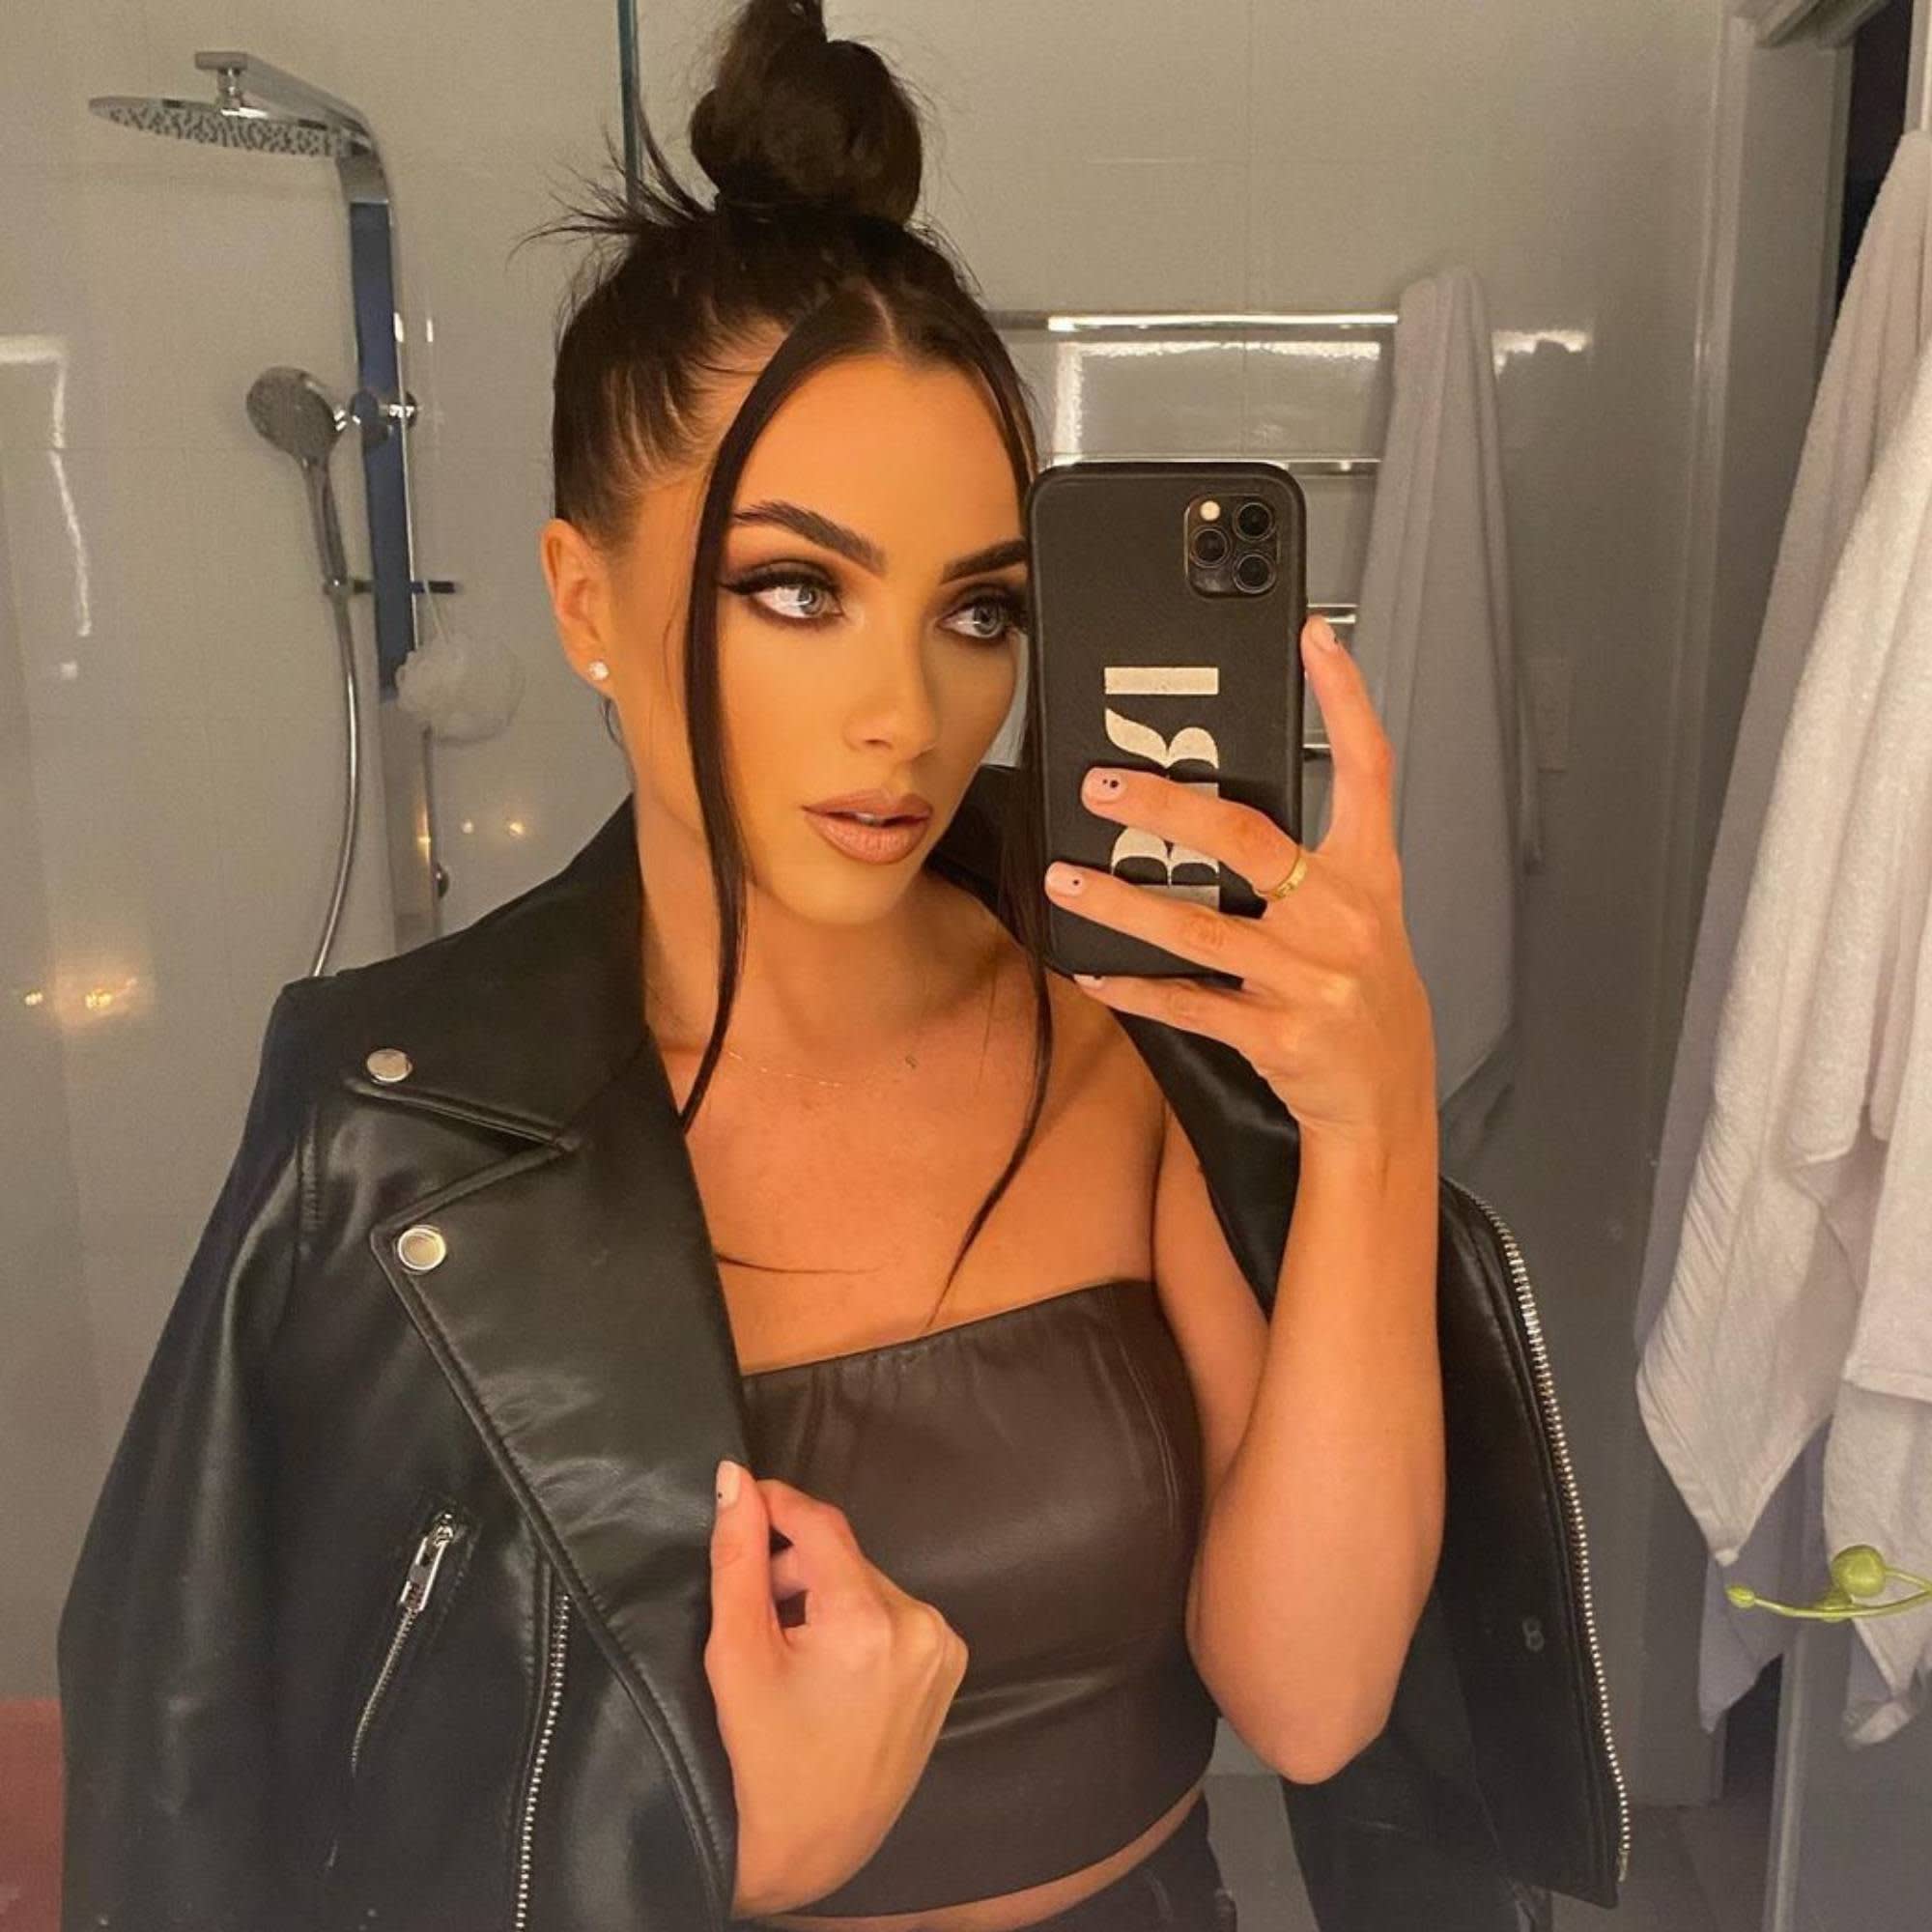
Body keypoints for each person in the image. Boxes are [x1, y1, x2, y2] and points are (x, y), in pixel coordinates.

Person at [57, 5, 1615, 1929]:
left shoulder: (1120, 1021)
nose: (908, 712)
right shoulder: (393, 1132)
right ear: (583, 599)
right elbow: (211, 1807)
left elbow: (1308, 1700)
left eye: (979, 609)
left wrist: (1374, 1130)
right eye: (794, 588)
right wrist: (723, 1867)